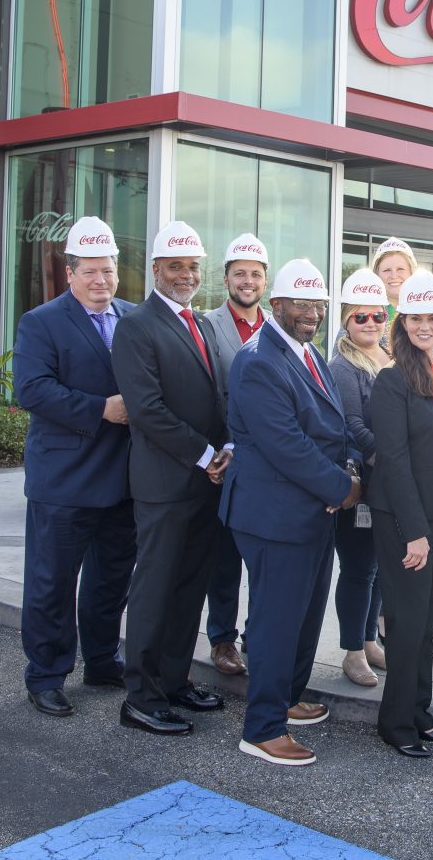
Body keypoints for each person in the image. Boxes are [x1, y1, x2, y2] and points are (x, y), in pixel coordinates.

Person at [222, 259, 361, 767]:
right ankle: (261, 728)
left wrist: (351, 468)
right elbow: (286, 445)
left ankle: (286, 696)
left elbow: (334, 428)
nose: (311, 313)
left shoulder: (307, 353)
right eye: (300, 303)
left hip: (311, 510)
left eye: (318, 304)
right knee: (276, 622)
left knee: (304, 615)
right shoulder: (259, 359)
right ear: (275, 305)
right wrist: (342, 488)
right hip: (275, 516)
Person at [110, 220, 232, 736]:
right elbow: (147, 409)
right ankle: (140, 696)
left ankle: (175, 680)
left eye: (192, 267)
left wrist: (225, 449)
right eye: (176, 266)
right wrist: (205, 454)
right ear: (156, 269)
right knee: (155, 590)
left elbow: (217, 396)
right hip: (166, 484)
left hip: (205, 481)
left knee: (189, 588)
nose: (186, 275)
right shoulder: (137, 326)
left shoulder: (201, 324)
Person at [12, 216, 136, 718]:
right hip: (64, 481)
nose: (101, 280)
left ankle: (102, 660)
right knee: (52, 582)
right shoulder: (41, 322)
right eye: (90, 272)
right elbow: (32, 389)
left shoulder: (134, 316)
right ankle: (45, 674)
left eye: (107, 271)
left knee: (111, 580)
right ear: (70, 273)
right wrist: (99, 409)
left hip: (123, 480)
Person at [367, 272, 433, 758]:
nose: (425, 325)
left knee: (426, 622)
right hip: (407, 523)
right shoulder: (392, 380)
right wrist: (414, 533)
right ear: (402, 320)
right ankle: (395, 723)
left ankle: (420, 712)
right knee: (407, 622)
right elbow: (392, 460)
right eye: (416, 317)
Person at [198, 232, 270, 679]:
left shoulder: (277, 324)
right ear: (225, 279)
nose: (247, 281)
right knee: (224, 558)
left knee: (263, 560)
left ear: (265, 281)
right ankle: (222, 639)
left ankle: (256, 637)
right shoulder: (206, 325)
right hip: (222, 464)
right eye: (240, 273)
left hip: (267, 464)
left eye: (255, 274)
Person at [328, 268, 392, 687]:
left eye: (377, 316)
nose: (370, 324)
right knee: (357, 568)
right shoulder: (343, 366)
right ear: (346, 321)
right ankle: (352, 650)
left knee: (379, 569)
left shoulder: (393, 357)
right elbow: (351, 424)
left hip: (390, 482)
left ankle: (369, 640)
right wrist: (387, 458)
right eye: (360, 317)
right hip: (364, 482)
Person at [372, 236, 433, 363]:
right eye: (387, 270)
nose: (393, 275)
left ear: (411, 271)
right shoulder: (366, 317)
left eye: (400, 269)